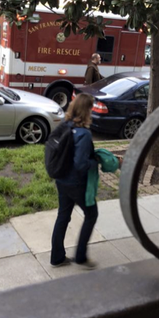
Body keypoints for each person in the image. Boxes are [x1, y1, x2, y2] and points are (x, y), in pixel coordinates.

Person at [50, 93, 100, 269]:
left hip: (61, 179)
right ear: (87, 111)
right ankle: (81, 257)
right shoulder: (84, 134)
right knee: (92, 214)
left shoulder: (65, 126)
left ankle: (57, 257)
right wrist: (96, 161)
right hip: (76, 183)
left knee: (63, 216)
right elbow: (81, 164)